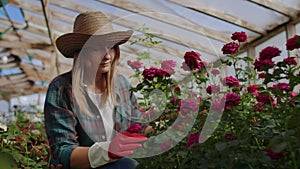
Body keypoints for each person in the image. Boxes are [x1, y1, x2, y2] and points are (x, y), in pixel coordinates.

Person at [44, 11, 151, 169]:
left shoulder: (121, 84)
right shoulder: (61, 89)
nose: (107, 55)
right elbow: (63, 151)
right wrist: (109, 151)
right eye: (97, 48)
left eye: (110, 47)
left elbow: (138, 126)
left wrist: (167, 128)